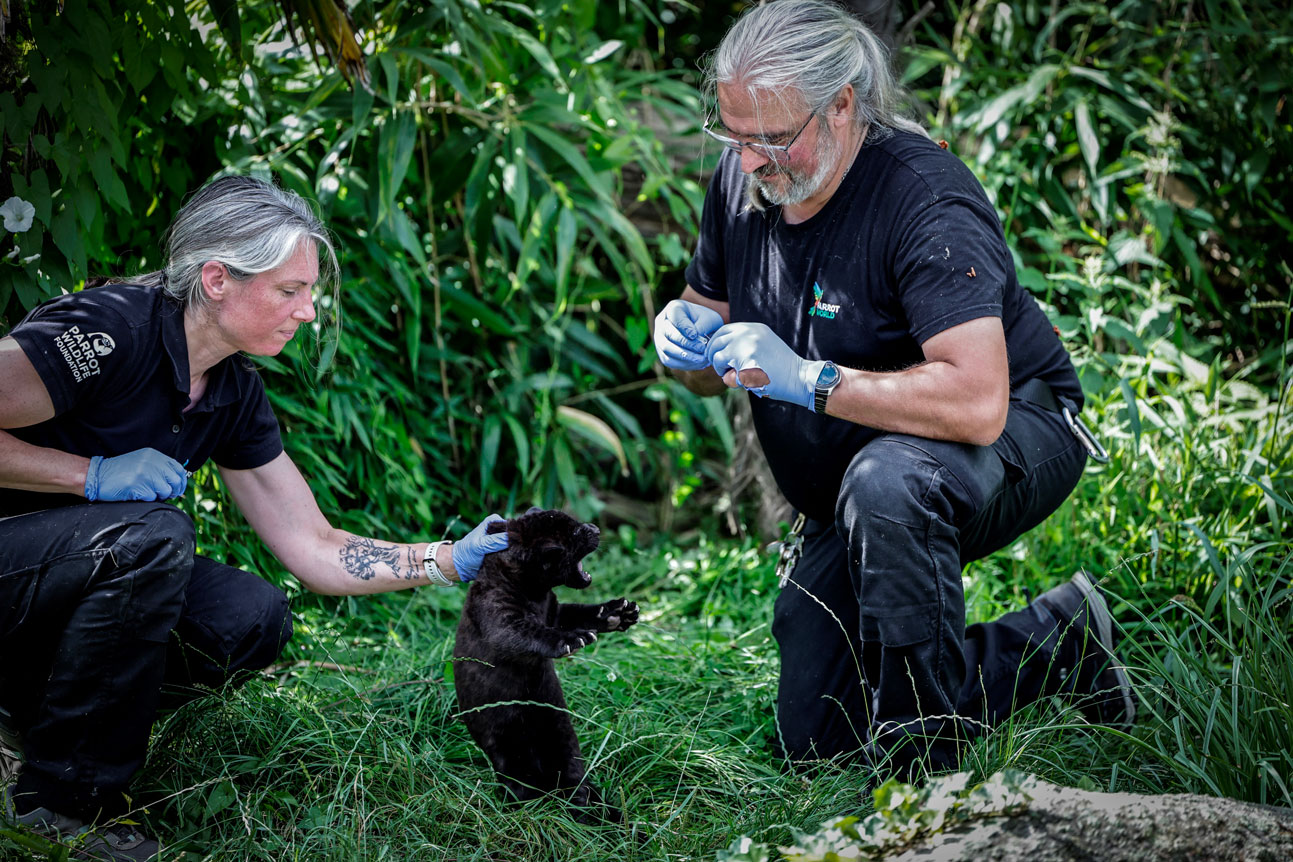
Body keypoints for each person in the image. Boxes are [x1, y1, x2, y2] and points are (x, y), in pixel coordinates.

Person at [653, 0, 1134, 778]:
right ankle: (1059, 642)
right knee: (819, 736)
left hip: (1020, 427)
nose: (748, 161)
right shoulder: (742, 181)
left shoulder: (923, 199)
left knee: (890, 484)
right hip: (852, 481)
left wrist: (808, 380)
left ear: (841, 105)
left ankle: (922, 771)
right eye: (733, 136)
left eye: (772, 138)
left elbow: (976, 404)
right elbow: (707, 364)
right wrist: (681, 341)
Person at [0, 175, 508, 860]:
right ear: (216, 278)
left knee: (251, 616)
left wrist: (444, 560)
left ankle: (42, 720)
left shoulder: (230, 390)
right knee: (152, 538)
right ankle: (61, 809)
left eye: (309, 292)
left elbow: (314, 545)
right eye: (288, 290)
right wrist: (86, 476)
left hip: (63, 588)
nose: (307, 311)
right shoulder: (111, 329)